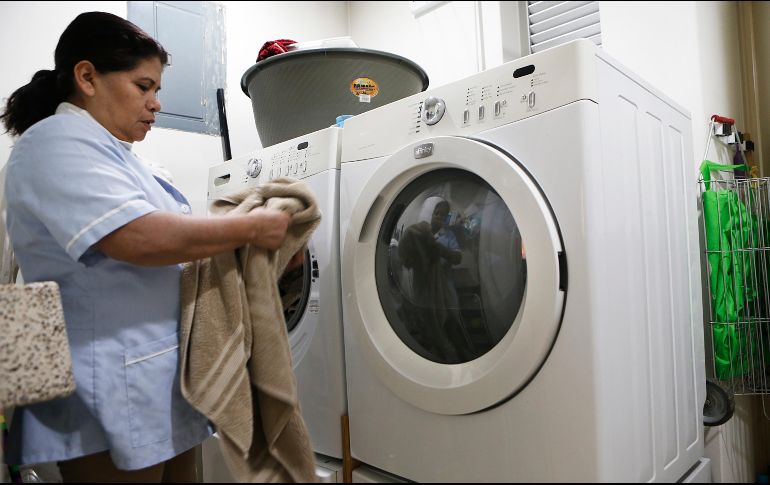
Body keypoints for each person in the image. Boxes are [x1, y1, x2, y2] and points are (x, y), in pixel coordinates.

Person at [0, 11, 302, 483]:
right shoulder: (54, 142)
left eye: (157, 90)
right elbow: (137, 238)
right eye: (144, 87)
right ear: (87, 77)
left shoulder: (121, 157)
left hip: (156, 375)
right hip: (109, 385)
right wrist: (251, 229)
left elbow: (177, 245)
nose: (156, 103)